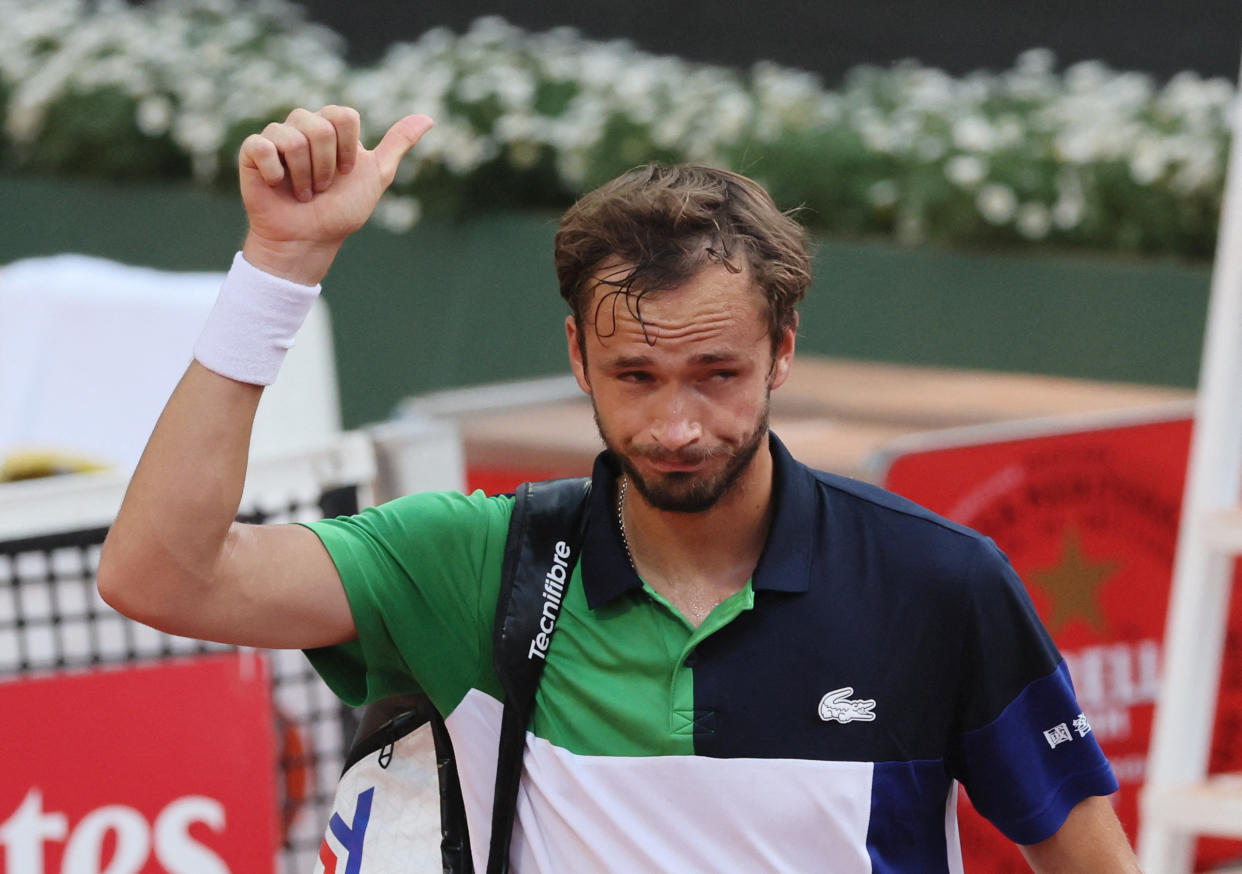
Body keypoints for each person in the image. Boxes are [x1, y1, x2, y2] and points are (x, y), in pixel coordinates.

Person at [99, 105, 1142, 873]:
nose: (677, 425)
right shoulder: (480, 565)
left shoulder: (938, 583)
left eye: (718, 374)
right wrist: (279, 265)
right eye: (636, 376)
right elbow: (161, 572)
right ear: (577, 356)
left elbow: (1088, 859)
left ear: (783, 349)